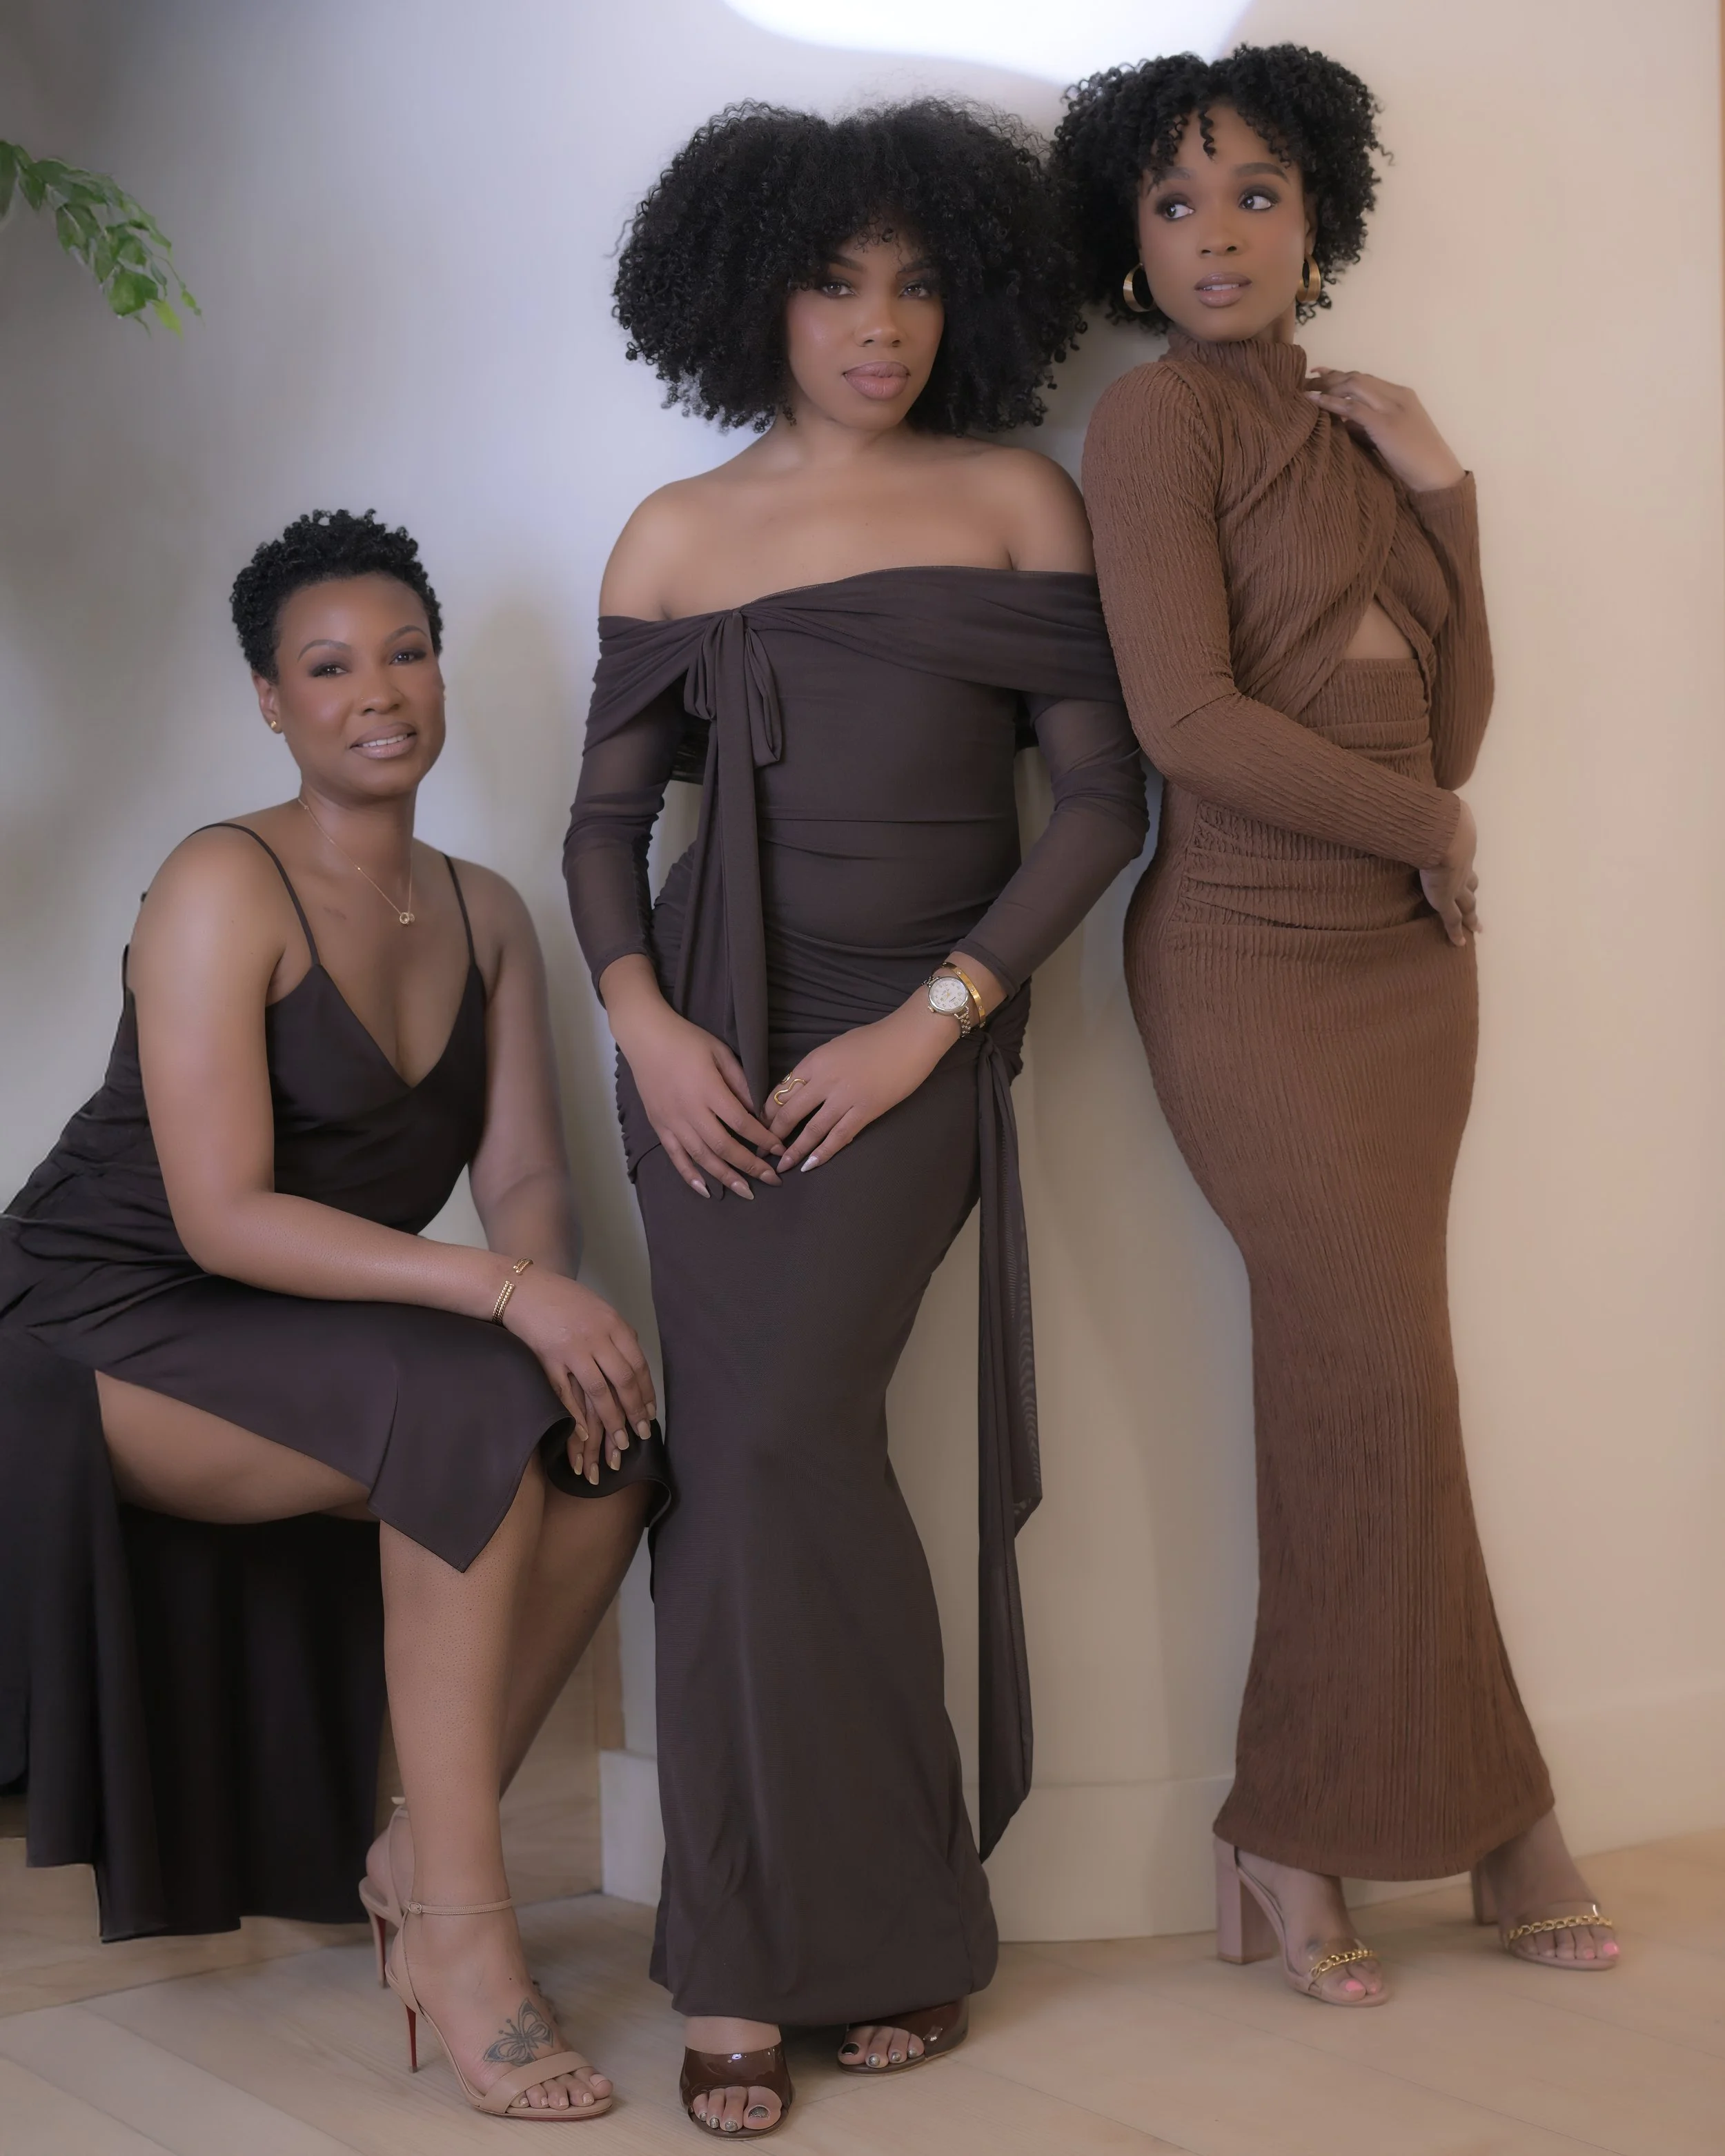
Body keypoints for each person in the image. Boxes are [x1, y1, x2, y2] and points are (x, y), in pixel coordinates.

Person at [565, 101, 1147, 2135]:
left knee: (785, 1442)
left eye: (913, 282)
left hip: (902, 1047)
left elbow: (1097, 805)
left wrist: (934, 1023)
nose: (876, 324)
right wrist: (636, 1017)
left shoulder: (1012, 500)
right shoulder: (669, 531)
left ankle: (821, 1931)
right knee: (752, 1471)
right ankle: (791, 1943)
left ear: (967, 298)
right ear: (757, 295)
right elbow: (605, 823)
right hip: (709, 1050)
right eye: (835, 281)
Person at [1054, 44, 1617, 2004]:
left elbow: (1441, 725)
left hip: (1405, 961)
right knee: (1368, 1374)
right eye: (1173, 201)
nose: (1217, 234)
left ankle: (1349, 1823)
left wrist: (1446, 494)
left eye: (1256, 192)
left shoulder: (1361, 426)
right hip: (1242, 953)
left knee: (1388, 1384)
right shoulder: (1147, 429)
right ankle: (1350, 1815)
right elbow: (1187, 729)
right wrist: (1425, 827)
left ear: (1320, 217)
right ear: (1125, 241)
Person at [0, 508, 668, 2120]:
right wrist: (505, 1297)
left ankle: (412, 1857)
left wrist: (540, 1295)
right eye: (329, 666)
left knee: (609, 1441)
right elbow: (221, 1212)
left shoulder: (489, 910)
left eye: (408, 651)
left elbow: (521, 1184)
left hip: (268, 1311)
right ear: (269, 699)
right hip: (92, 1313)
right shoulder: (224, 882)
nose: (379, 690)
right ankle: (465, 1936)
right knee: (468, 1396)